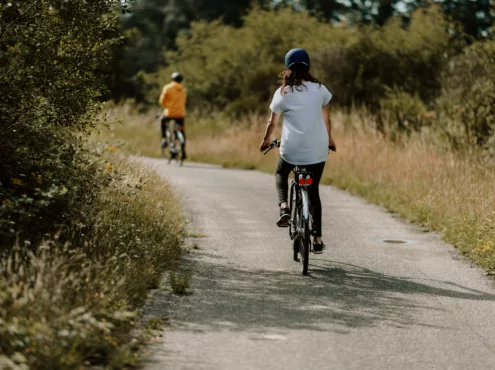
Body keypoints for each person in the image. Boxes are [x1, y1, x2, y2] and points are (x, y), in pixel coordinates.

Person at [259, 48, 336, 254]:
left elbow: (272, 122)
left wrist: (265, 141)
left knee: (281, 173)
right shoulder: (320, 89)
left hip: (291, 149)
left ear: (287, 68)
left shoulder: (283, 93)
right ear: (308, 66)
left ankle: (284, 206)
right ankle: (318, 239)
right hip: (317, 150)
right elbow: (327, 119)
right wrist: (330, 140)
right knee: (314, 190)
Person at [159, 72, 187, 160]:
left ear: (172, 79)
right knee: (181, 130)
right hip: (180, 113)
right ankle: (183, 150)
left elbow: (162, 101)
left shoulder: (168, 87)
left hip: (170, 112)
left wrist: (167, 106)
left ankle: (164, 138)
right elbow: (184, 101)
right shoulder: (183, 89)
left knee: (162, 120)